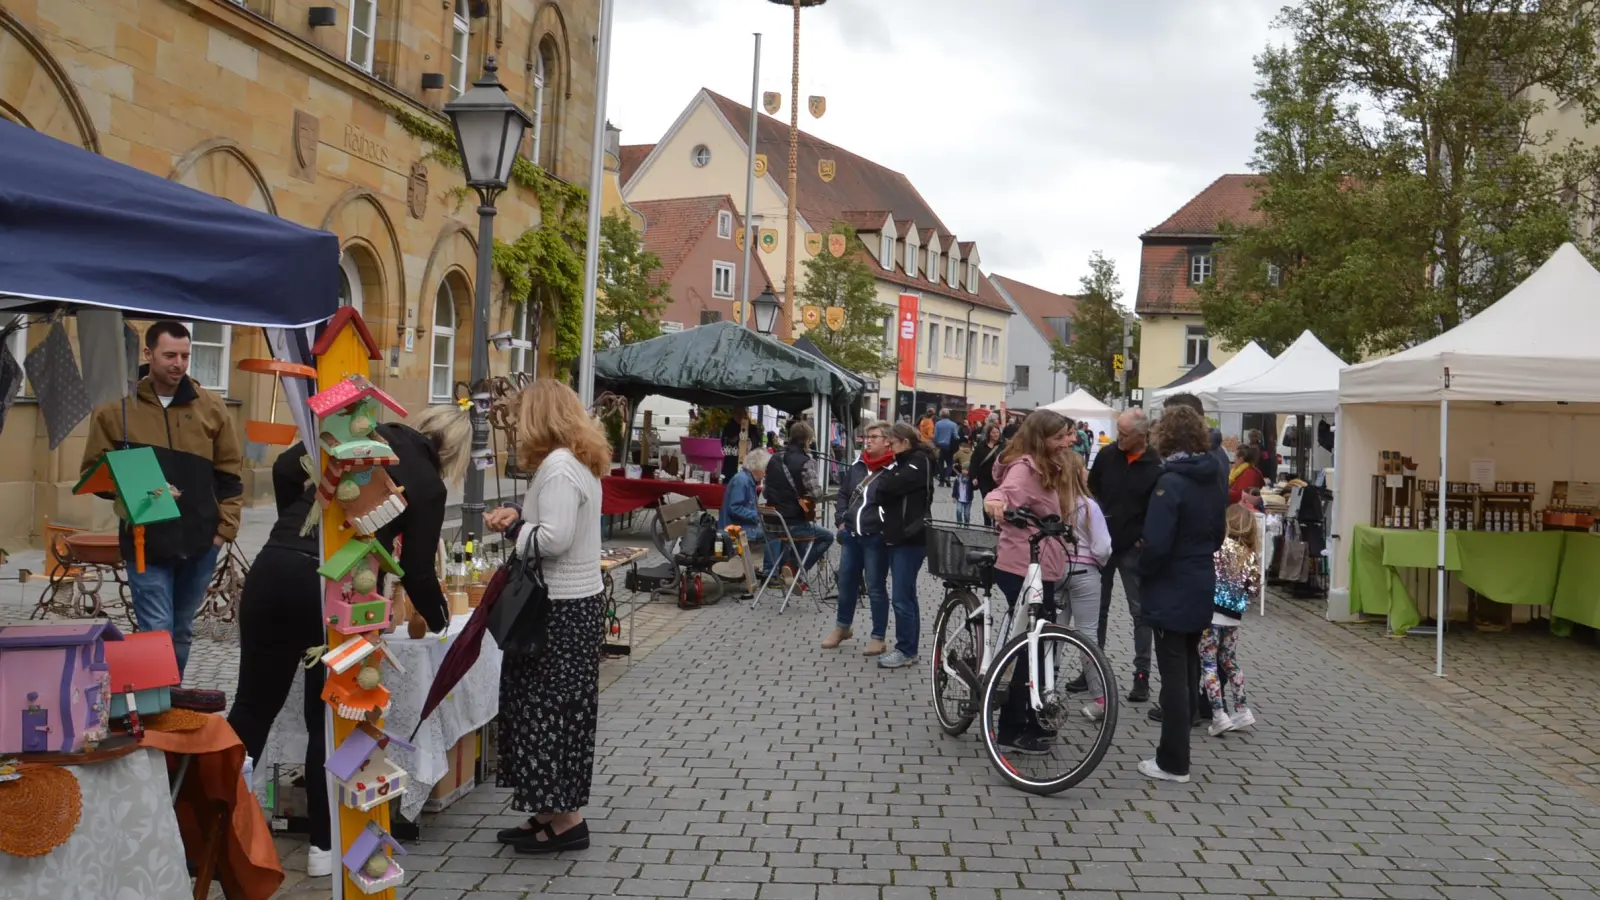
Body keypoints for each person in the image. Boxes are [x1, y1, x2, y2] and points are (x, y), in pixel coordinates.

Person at [227, 403, 464, 876]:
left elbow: (281, 466)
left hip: (272, 567)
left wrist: (299, 528)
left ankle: (210, 826)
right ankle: (321, 847)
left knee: (253, 706)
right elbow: (417, 568)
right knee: (326, 718)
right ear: (452, 452)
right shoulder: (429, 483)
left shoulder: (360, 436)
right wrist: (439, 619)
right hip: (328, 592)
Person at [80, 321, 243, 678]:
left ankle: (172, 699)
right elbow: (94, 474)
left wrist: (222, 533)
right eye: (170, 355)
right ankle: (157, 704)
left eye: (185, 355)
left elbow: (230, 475)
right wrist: (139, 489)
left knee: (181, 630)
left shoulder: (212, 407)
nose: (179, 363)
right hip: (145, 541)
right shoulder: (117, 410)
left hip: (200, 541)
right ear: (148, 354)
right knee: (157, 628)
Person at [488, 379, 610, 853]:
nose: (517, 424)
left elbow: (554, 539)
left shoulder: (559, 466)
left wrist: (516, 525)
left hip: (558, 607)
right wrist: (522, 513)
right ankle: (547, 810)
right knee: (555, 708)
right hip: (572, 604)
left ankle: (567, 820)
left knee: (548, 710)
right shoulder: (576, 460)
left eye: (522, 415)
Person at [979, 410, 1080, 752]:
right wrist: (995, 503)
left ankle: (1035, 720)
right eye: (1061, 436)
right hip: (1021, 566)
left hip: (1043, 565)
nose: (1069, 441)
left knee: (1039, 645)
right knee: (1031, 646)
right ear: (1041, 439)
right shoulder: (1025, 468)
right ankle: (1011, 729)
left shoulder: (1051, 465)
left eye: (1069, 435)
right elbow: (1003, 493)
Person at [1137, 405, 1227, 784]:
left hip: (1172, 582)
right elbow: (1220, 534)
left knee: (1173, 675)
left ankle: (1173, 760)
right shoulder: (1213, 476)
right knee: (1188, 667)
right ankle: (1180, 750)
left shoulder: (1169, 483)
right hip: (1200, 578)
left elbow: (1155, 543)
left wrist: (1144, 570)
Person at [1087, 409, 1162, 702]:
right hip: (1102, 544)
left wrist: (1145, 536)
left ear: (1142, 436)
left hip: (1132, 548)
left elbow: (1157, 507)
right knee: (1096, 610)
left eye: (1126, 434)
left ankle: (1141, 676)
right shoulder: (1108, 456)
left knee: (1140, 613)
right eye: (1119, 431)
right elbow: (1092, 489)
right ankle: (1093, 671)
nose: (1120, 438)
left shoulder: (1155, 465)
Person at [823, 423, 893, 652]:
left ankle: (878, 636)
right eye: (867, 436)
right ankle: (842, 626)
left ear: (887, 441)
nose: (868, 441)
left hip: (876, 536)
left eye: (874, 437)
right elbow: (844, 493)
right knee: (846, 583)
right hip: (852, 534)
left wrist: (884, 527)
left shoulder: (893, 469)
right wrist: (841, 520)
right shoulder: (858, 465)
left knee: (875, 586)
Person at [872, 423, 935, 668]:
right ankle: (909, 648)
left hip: (910, 538)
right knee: (906, 595)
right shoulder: (903, 462)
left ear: (906, 442)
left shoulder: (919, 461)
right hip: (899, 535)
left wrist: (890, 480)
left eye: (892, 442)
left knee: (901, 597)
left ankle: (906, 649)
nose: (888, 446)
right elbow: (881, 491)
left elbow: (889, 486)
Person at [1203, 504, 1262, 737]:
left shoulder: (1217, 548)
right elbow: (1255, 589)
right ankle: (1242, 708)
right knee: (1230, 661)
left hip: (1212, 615)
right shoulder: (1248, 554)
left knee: (1209, 664)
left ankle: (1218, 714)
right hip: (1234, 619)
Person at [761, 421, 835, 578]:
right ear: (808, 440)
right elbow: (816, 494)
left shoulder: (774, 458)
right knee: (827, 537)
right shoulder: (805, 461)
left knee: (803, 532)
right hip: (792, 524)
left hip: (771, 522)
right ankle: (796, 570)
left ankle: (788, 568)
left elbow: (767, 491)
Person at [719, 448, 771, 575]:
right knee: (774, 533)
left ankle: (769, 569)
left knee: (774, 530)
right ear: (758, 467)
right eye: (765, 469)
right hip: (734, 528)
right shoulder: (742, 480)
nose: (766, 472)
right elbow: (735, 508)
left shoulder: (746, 479)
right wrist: (758, 516)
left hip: (738, 525)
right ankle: (770, 571)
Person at [970, 423, 1005, 525]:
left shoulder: (1003, 446)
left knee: (997, 501)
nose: (996, 435)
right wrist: (973, 476)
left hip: (997, 479)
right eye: (993, 432)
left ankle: (996, 522)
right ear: (989, 434)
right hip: (984, 479)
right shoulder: (981, 446)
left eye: (997, 432)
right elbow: (974, 461)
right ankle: (987, 523)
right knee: (986, 500)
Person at [720, 407, 761, 483]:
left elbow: (756, 445)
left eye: (742, 413)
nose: (740, 415)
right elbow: (724, 444)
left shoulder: (752, 428)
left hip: (747, 465)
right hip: (731, 465)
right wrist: (735, 439)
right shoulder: (729, 427)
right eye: (737, 413)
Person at [933, 409, 959, 485]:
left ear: (940, 415)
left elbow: (935, 436)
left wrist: (935, 443)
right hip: (949, 446)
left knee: (940, 463)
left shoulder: (938, 424)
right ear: (948, 415)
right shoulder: (953, 424)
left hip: (940, 446)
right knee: (950, 463)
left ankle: (941, 481)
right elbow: (956, 436)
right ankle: (947, 476)